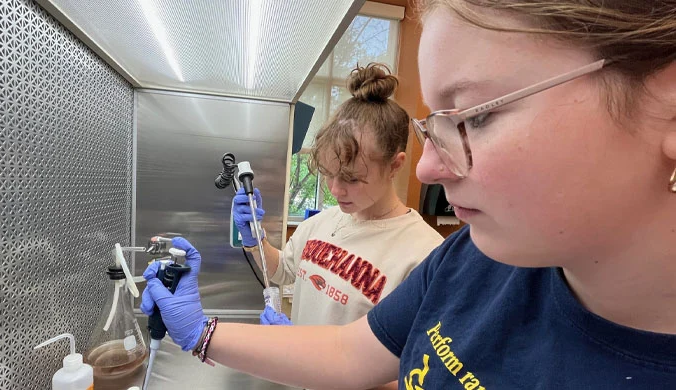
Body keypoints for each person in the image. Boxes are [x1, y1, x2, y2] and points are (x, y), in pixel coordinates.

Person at [141, 1, 676, 388]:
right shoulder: (471, 260)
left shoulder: (429, 247)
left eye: (476, 115)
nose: (428, 166)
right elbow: (353, 353)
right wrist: (202, 327)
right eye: (435, 126)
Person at [232, 62, 443, 327]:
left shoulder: (423, 255)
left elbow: (403, 357)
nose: (335, 189)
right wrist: (255, 238)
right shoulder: (321, 223)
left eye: (352, 178)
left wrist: (303, 347)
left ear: (395, 165)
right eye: (329, 173)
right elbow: (284, 270)